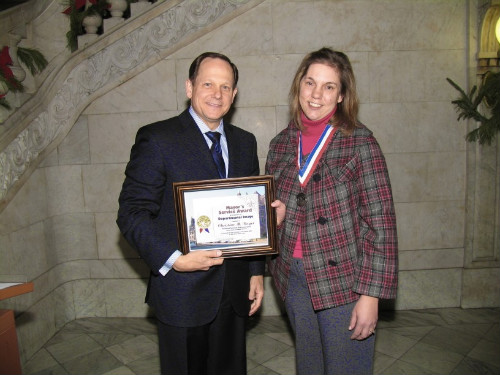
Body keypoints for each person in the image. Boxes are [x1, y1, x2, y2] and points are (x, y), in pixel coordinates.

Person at [117, 52, 280, 375]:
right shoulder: (158, 139)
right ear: (189, 87)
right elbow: (132, 213)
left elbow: (250, 217)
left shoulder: (244, 142)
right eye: (207, 84)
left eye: (225, 86)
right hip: (182, 292)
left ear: (234, 95)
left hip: (233, 292)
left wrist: (255, 271)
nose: (216, 94)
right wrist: (174, 258)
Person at [265, 47, 398, 375]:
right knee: (309, 366)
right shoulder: (280, 143)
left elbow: (380, 223)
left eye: (329, 87)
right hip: (294, 278)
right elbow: (280, 206)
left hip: (344, 282)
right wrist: (273, 217)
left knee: (346, 368)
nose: (316, 95)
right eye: (310, 83)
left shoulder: (361, 142)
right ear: (299, 85)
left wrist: (370, 295)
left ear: (341, 95)